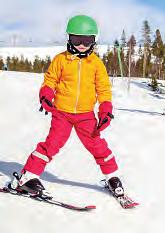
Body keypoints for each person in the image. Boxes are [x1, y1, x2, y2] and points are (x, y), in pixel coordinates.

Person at [10, 15, 124, 198]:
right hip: (61, 112)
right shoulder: (60, 60)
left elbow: (104, 89)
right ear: (68, 38)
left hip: (86, 115)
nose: (81, 44)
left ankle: (112, 176)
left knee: (97, 145)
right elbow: (50, 80)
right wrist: (46, 94)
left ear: (94, 41)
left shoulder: (96, 64)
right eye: (76, 39)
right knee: (52, 145)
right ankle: (28, 176)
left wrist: (105, 110)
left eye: (86, 40)